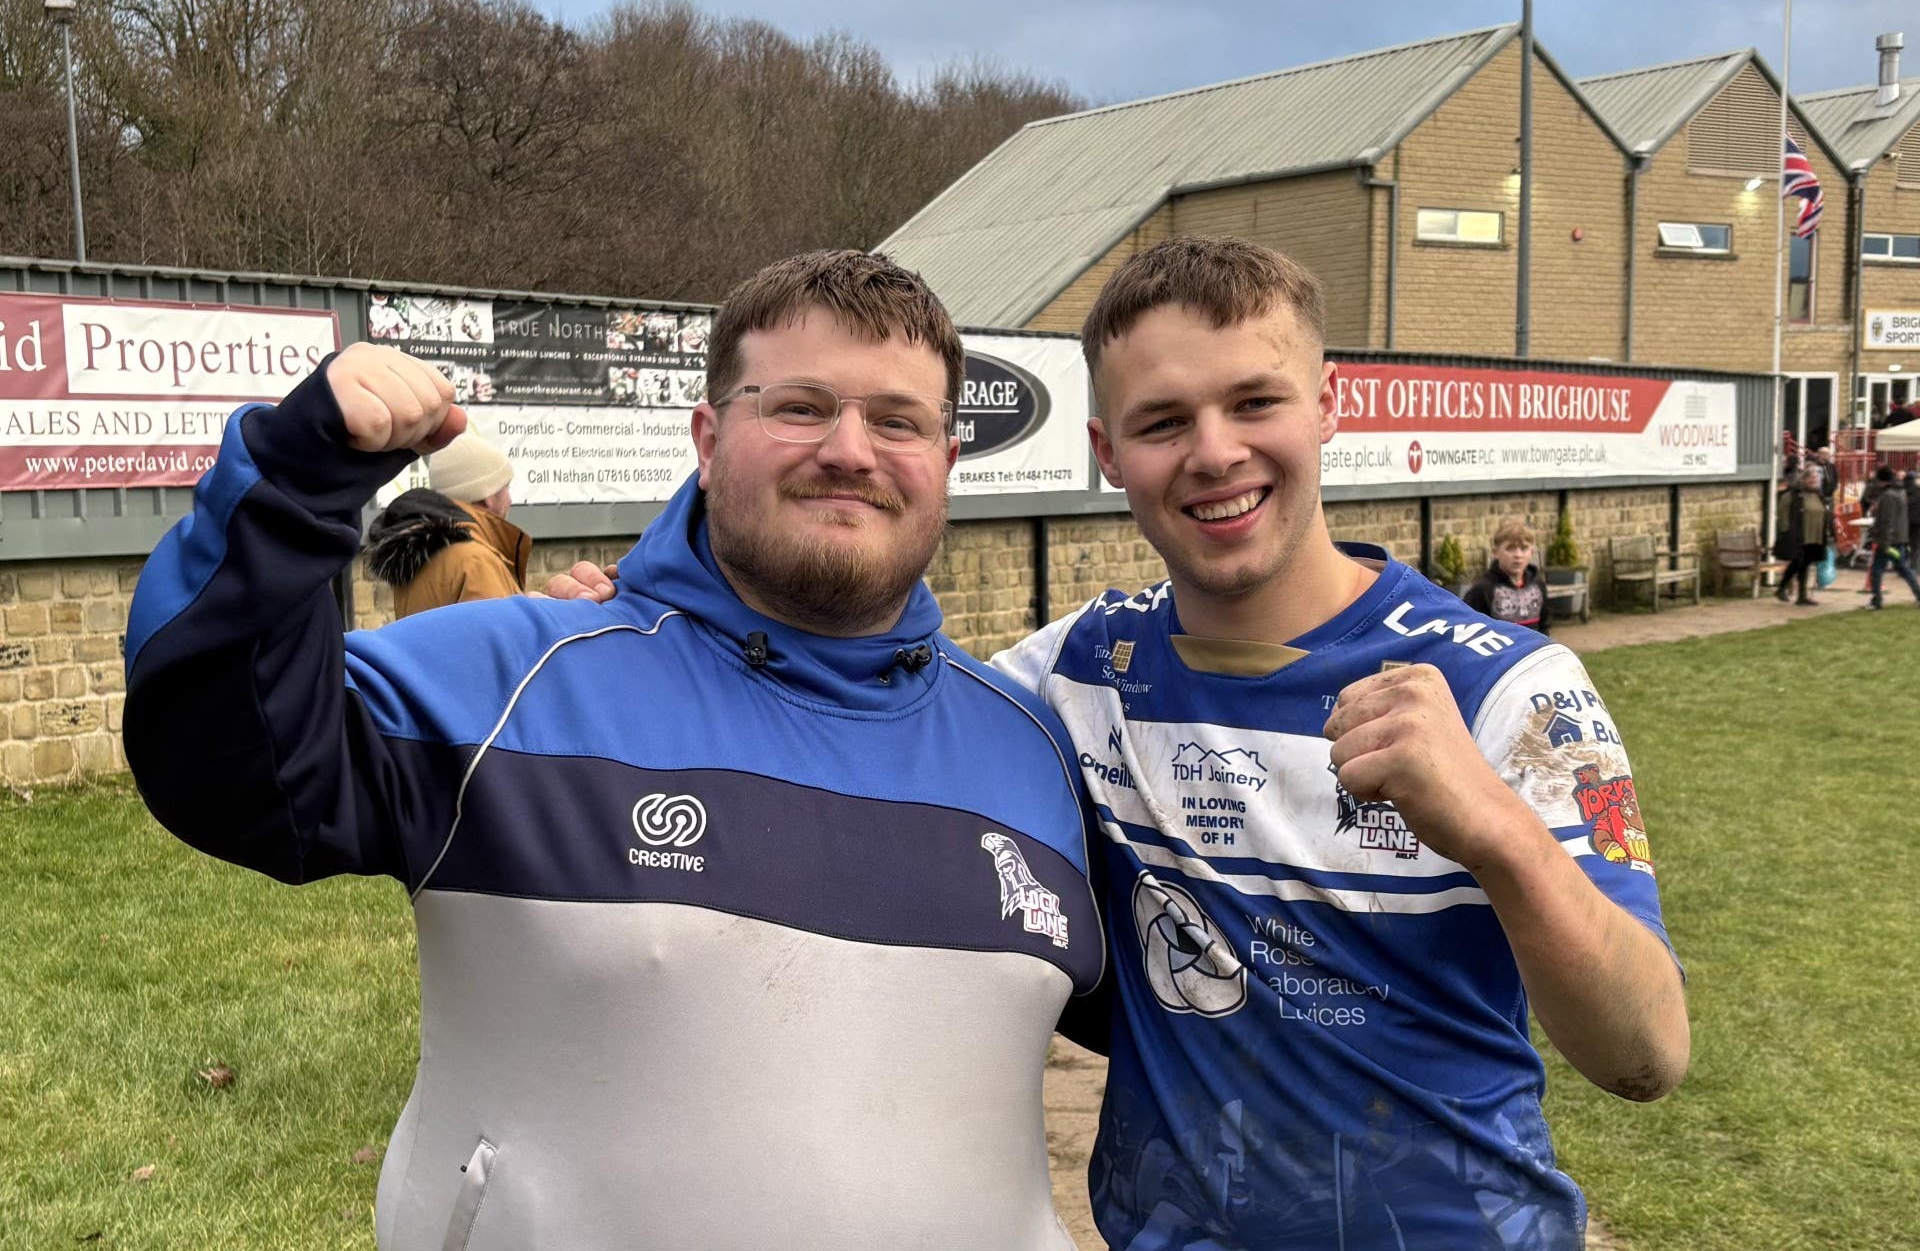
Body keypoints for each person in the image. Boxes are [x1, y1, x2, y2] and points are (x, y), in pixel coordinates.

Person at [550, 237, 1689, 1249]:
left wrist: (1498, 831)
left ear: (1328, 405)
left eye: (1256, 402)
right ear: (1106, 448)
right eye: (1162, 422)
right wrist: (662, 635)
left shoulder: (1509, 688)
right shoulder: (1073, 675)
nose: (1214, 451)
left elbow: (1646, 1052)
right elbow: (849, 713)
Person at [122, 251, 1102, 1250]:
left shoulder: (1034, 752)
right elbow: (224, 760)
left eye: (898, 419)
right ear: (709, 437)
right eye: (800, 406)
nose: (850, 448)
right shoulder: (509, 682)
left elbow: (1208, 1025)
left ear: (945, 454)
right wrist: (294, 486)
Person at [365, 431, 530, 617]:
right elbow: (500, 641)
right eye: (506, 487)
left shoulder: (420, 552)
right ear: (489, 495)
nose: (510, 500)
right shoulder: (475, 561)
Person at [1461, 516, 1552, 634]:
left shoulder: (1538, 584)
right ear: (1496, 553)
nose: (1518, 555)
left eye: (1524, 548)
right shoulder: (1483, 589)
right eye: (1510, 548)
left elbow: (1544, 626)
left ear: (1531, 552)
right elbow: (1468, 630)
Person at [1774, 466, 1829, 606]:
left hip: (1815, 536)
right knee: (1798, 562)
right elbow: (1783, 514)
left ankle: (1801, 596)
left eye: (1816, 478)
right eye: (1811, 478)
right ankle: (1783, 588)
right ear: (1804, 479)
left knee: (1805, 565)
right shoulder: (1793, 496)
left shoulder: (1819, 495)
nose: (1814, 481)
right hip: (1799, 535)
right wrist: (1785, 531)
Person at [1867, 466, 1920, 609]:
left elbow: (1886, 521)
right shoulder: (1901, 491)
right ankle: (1918, 594)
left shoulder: (1888, 496)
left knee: (1877, 569)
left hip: (1889, 539)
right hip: (1900, 537)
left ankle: (1877, 600)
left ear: (1882, 480)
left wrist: (1884, 543)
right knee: (1903, 568)